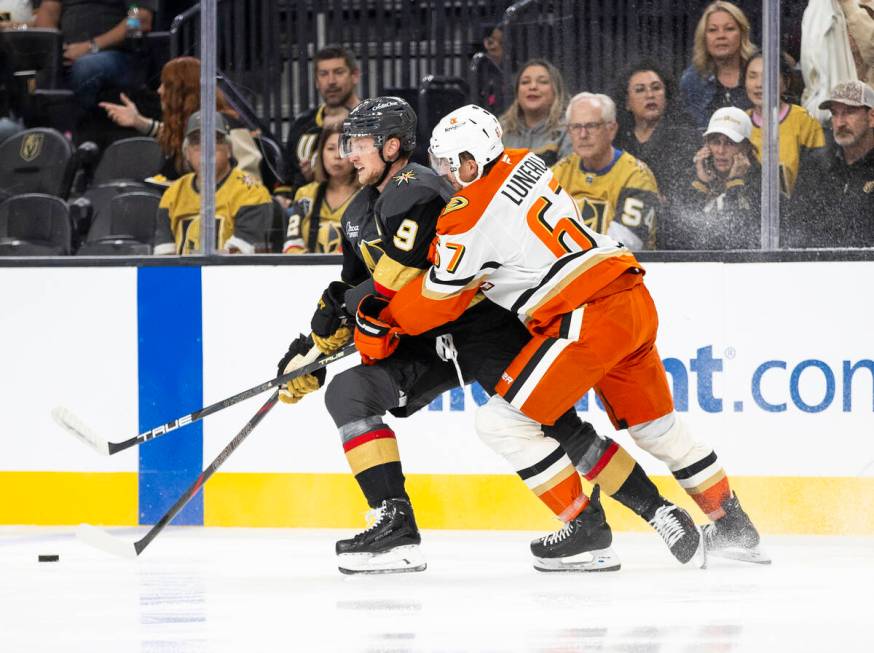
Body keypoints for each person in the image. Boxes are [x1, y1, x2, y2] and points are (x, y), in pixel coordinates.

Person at [276, 98, 702, 574]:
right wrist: (310, 354)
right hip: (424, 344)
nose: (348, 155)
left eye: (357, 144)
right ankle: (394, 527)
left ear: (390, 145)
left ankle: (655, 512)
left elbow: (387, 287)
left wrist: (343, 325)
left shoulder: (418, 188)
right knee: (349, 393)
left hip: (483, 328)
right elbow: (348, 290)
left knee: (559, 426)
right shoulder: (357, 212)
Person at [359, 103, 769, 567]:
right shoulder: (525, 162)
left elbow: (435, 301)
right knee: (658, 429)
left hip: (587, 315)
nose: (447, 176)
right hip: (630, 297)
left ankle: (585, 524)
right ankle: (736, 529)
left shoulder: (466, 218)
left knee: (500, 422)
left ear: (472, 160)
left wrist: (383, 317)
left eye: (450, 165)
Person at [99, 56, 263, 182]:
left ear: (184, 91)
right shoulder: (188, 126)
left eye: (166, 85)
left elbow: (250, 176)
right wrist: (138, 121)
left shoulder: (228, 125)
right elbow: (176, 134)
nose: (159, 91)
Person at [551, 92, 660, 251]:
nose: (583, 135)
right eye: (576, 127)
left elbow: (624, 245)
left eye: (591, 126)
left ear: (611, 129)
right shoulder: (559, 172)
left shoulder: (636, 176)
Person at [154, 111, 272, 255]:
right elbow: (163, 257)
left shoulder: (251, 192)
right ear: (187, 154)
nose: (205, 149)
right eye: (196, 142)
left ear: (229, 150)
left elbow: (240, 256)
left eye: (214, 140)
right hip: (184, 276)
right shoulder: (172, 194)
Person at [788, 80, 874, 247]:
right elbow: (795, 226)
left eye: (849, 112)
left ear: (871, 117)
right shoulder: (815, 164)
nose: (840, 123)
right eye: (835, 113)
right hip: (820, 266)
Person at [613, 59, 700, 214]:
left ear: (666, 96)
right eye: (640, 90)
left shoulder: (685, 136)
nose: (650, 95)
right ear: (627, 103)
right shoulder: (616, 140)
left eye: (656, 88)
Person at [667, 107, 760, 250]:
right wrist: (701, 182)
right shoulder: (689, 176)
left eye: (730, 143)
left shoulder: (762, 183)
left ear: (746, 147)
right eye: (715, 142)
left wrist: (735, 182)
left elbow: (739, 235)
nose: (721, 151)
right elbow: (675, 235)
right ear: (706, 145)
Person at [34, 0, 156, 110]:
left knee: (85, 67)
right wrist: (57, 48)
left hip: (120, 55)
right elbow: (48, 12)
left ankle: (76, 129)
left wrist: (92, 46)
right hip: (67, 55)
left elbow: (139, 18)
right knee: (29, 75)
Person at [745, 51, 825, 199]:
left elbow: (818, 177)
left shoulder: (804, 121)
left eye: (768, 76)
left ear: (785, 83)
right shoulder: (739, 122)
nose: (759, 84)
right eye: (752, 76)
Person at [282, 45, 361, 193]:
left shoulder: (373, 120)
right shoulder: (302, 124)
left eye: (338, 72)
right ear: (317, 81)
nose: (331, 81)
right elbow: (287, 181)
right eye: (323, 74)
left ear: (355, 75)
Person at [282, 123, 360, 254]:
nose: (337, 156)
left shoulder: (369, 197)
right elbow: (292, 244)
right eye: (330, 148)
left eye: (345, 148)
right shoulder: (305, 194)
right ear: (320, 153)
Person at [680, 1, 756, 129]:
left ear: (742, 34)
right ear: (704, 37)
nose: (721, 36)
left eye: (729, 29)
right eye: (712, 30)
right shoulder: (691, 80)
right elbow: (688, 133)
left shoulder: (760, 73)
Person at [499, 59, 570, 166]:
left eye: (543, 82)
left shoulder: (569, 128)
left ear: (556, 90)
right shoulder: (501, 130)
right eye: (525, 82)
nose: (532, 87)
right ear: (517, 92)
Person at [471, 23, 506, 114]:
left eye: (501, 42)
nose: (495, 45)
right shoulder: (478, 67)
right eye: (490, 41)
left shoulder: (512, 68)